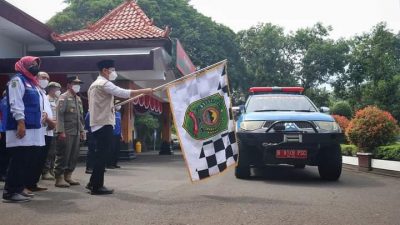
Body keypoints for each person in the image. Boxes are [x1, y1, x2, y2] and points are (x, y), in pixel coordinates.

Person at [86, 59, 152, 195]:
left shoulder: (93, 85)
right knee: (102, 156)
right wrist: (144, 91)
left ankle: (93, 182)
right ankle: (97, 186)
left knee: (100, 155)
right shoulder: (104, 83)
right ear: (105, 70)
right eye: (112, 70)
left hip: (97, 123)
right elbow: (122, 92)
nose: (113, 73)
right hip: (103, 123)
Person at [2, 56, 46, 203]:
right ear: (24, 65)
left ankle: (19, 188)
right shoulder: (17, 80)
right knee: (18, 159)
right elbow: (16, 103)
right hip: (20, 127)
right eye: (31, 64)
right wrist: (20, 122)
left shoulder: (32, 83)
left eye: (36, 64)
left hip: (33, 127)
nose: (35, 66)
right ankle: (9, 191)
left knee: (27, 160)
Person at [23, 72, 55, 193]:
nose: (45, 80)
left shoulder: (43, 93)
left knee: (41, 160)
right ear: (36, 78)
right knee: (32, 159)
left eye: (47, 78)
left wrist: (51, 122)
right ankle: (25, 185)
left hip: (47, 131)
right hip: (38, 131)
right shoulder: (33, 91)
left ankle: (33, 183)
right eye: (43, 77)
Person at [54, 76, 84, 188]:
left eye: (79, 84)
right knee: (63, 155)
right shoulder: (63, 97)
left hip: (76, 131)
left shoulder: (78, 99)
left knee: (74, 155)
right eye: (74, 83)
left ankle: (68, 175)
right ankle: (59, 177)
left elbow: (80, 116)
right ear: (68, 85)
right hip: (66, 131)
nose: (77, 86)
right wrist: (61, 131)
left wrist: (81, 130)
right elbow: (59, 115)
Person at [42, 81, 61, 180]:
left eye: (58, 89)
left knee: (55, 151)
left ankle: (51, 169)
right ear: (50, 89)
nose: (58, 91)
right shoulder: (46, 99)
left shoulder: (57, 100)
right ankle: (45, 171)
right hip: (48, 128)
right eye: (56, 89)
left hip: (57, 128)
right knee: (49, 151)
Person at [107, 101, 122, 169]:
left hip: (118, 134)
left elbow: (120, 124)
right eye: (117, 104)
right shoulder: (110, 113)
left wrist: (121, 134)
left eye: (119, 104)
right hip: (111, 134)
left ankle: (115, 163)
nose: (119, 106)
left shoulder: (119, 114)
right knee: (111, 150)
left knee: (117, 150)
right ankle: (109, 164)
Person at [0, 91, 9, 182]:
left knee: (5, 154)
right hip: (4, 131)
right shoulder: (4, 102)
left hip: (6, 131)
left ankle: (4, 173)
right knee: (4, 154)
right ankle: (2, 173)